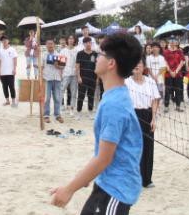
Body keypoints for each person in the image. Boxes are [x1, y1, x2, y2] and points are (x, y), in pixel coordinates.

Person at [50, 33, 143, 214]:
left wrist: (69, 189)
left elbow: (104, 158)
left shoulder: (114, 105)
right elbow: (104, 155)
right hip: (107, 182)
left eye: (100, 54)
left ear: (111, 63)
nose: (96, 57)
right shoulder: (114, 95)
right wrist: (84, 178)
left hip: (116, 190)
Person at [126, 59, 160, 188]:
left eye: (139, 63)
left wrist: (153, 119)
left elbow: (155, 101)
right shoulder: (126, 82)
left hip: (147, 115)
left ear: (144, 66)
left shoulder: (150, 82)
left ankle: (147, 179)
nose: (136, 65)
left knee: (148, 147)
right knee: (132, 148)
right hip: (132, 115)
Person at [43, 39, 64, 124]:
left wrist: (57, 65)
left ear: (54, 45)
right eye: (48, 44)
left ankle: (57, 115)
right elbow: (41, 67)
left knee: (57, 98)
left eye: (51, 44)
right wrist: (40, 78)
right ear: (46, 45)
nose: (50, 45)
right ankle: (46, 115)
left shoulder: (59, 54)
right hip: (47, 78)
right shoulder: (43, 55)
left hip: (57, 78)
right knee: (47, 98)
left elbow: (62, 67)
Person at [77, 37, 99, 119]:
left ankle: (90, 112)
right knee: (81, 96)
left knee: (91, 96)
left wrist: (97, 78)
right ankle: (79, 112)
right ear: (83, 44)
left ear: (91, 43)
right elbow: (77, 66)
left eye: (89, 42)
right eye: (86, 43)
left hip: (92, 78)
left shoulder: (95, 54)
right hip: (82, 78)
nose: (88, 44)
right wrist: (78, 77)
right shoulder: (80, 53)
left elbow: (97, 67)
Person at [162, 38, 185, 112]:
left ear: (176, 42)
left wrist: (176, 71)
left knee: (178, 90)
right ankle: (166, 106)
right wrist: (170, 71)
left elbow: (182, 62)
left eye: (174, 41)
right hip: (168, 74)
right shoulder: (165, 52)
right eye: (171, 40)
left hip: (178, 74)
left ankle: (178, 106)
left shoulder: (180, 51)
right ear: (169, 42)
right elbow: (164, 62)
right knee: (167, 90)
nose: (172, 42)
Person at [60, 35, 79, 116]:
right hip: (65, 73)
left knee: (73, 92)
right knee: (61, 90)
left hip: (74, 74)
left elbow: (78, 63)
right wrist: (60, 73)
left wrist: (78, 74)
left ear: (74, 40)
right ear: (67, 40)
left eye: (72, 38)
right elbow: (61, 63)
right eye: (69, 38)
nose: (71, 40)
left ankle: (71, 108)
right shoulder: (63, 51)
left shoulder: (77, 51)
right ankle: (60, 106)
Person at [0, 35, 19, 107]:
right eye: (2, 40)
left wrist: (14, 69)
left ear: (8, 41)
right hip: (2, 72)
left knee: (11, 86)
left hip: (10, 72)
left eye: (5, 40)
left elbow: (15, 59)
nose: (4, 41)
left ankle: (13, 101)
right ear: (1, 42)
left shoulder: (12, 49)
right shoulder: (0, 51)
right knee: (4, 87)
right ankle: (7, 101)